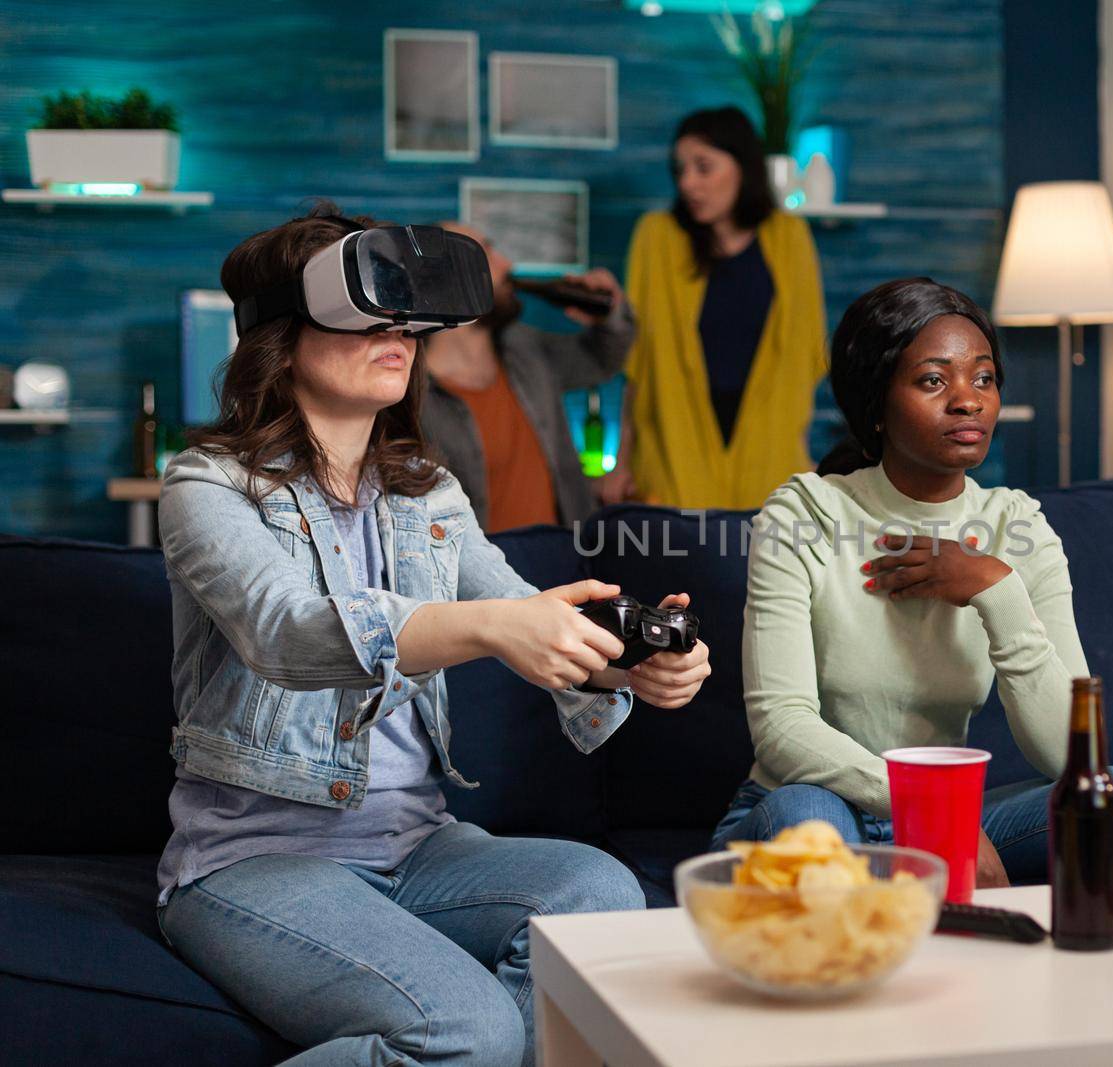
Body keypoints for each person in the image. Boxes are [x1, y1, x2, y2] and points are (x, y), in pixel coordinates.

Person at [155, 205, 712, 1066]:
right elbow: (288, 633)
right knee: (470, 1028)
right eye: (369, 314)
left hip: (421, 848)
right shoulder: (208, 486)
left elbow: (526, 607)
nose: (403, 333)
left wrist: (624, 664)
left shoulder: (426, 494)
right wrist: (493, 626)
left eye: (409, 315)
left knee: (601, 893)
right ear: (279, 335)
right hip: (254, 860)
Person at [711, 278, 1113, 895]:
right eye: (934, 380)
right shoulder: (805, 514)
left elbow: (1070, 756)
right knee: (808, 818)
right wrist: (931, 811)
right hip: (815, 805)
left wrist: (997, 588)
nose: (968, 401)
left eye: (983, 378)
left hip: (948, 810)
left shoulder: (1018, 528)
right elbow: (782, 727)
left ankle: (1101, 987)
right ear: (876, 403)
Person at [605, 106, 827, 510]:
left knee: (764, 562)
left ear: (743, 166)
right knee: (681, 561)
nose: (688, 183)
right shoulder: (657, 237)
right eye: (680, 170)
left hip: (770, 450)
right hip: (673, 447)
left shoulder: (789, 238)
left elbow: (806, 354)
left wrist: (803, 454)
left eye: (703, 167)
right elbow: (638, 364)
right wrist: (622, 463)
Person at [422, 221, 633, 533]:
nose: (507, 264)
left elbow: (600, 360)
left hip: (568, 566)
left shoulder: (524, 349)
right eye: (487, 254)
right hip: (484, 581)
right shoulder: (412, 400)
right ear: (446, 282)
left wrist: (611, 316)